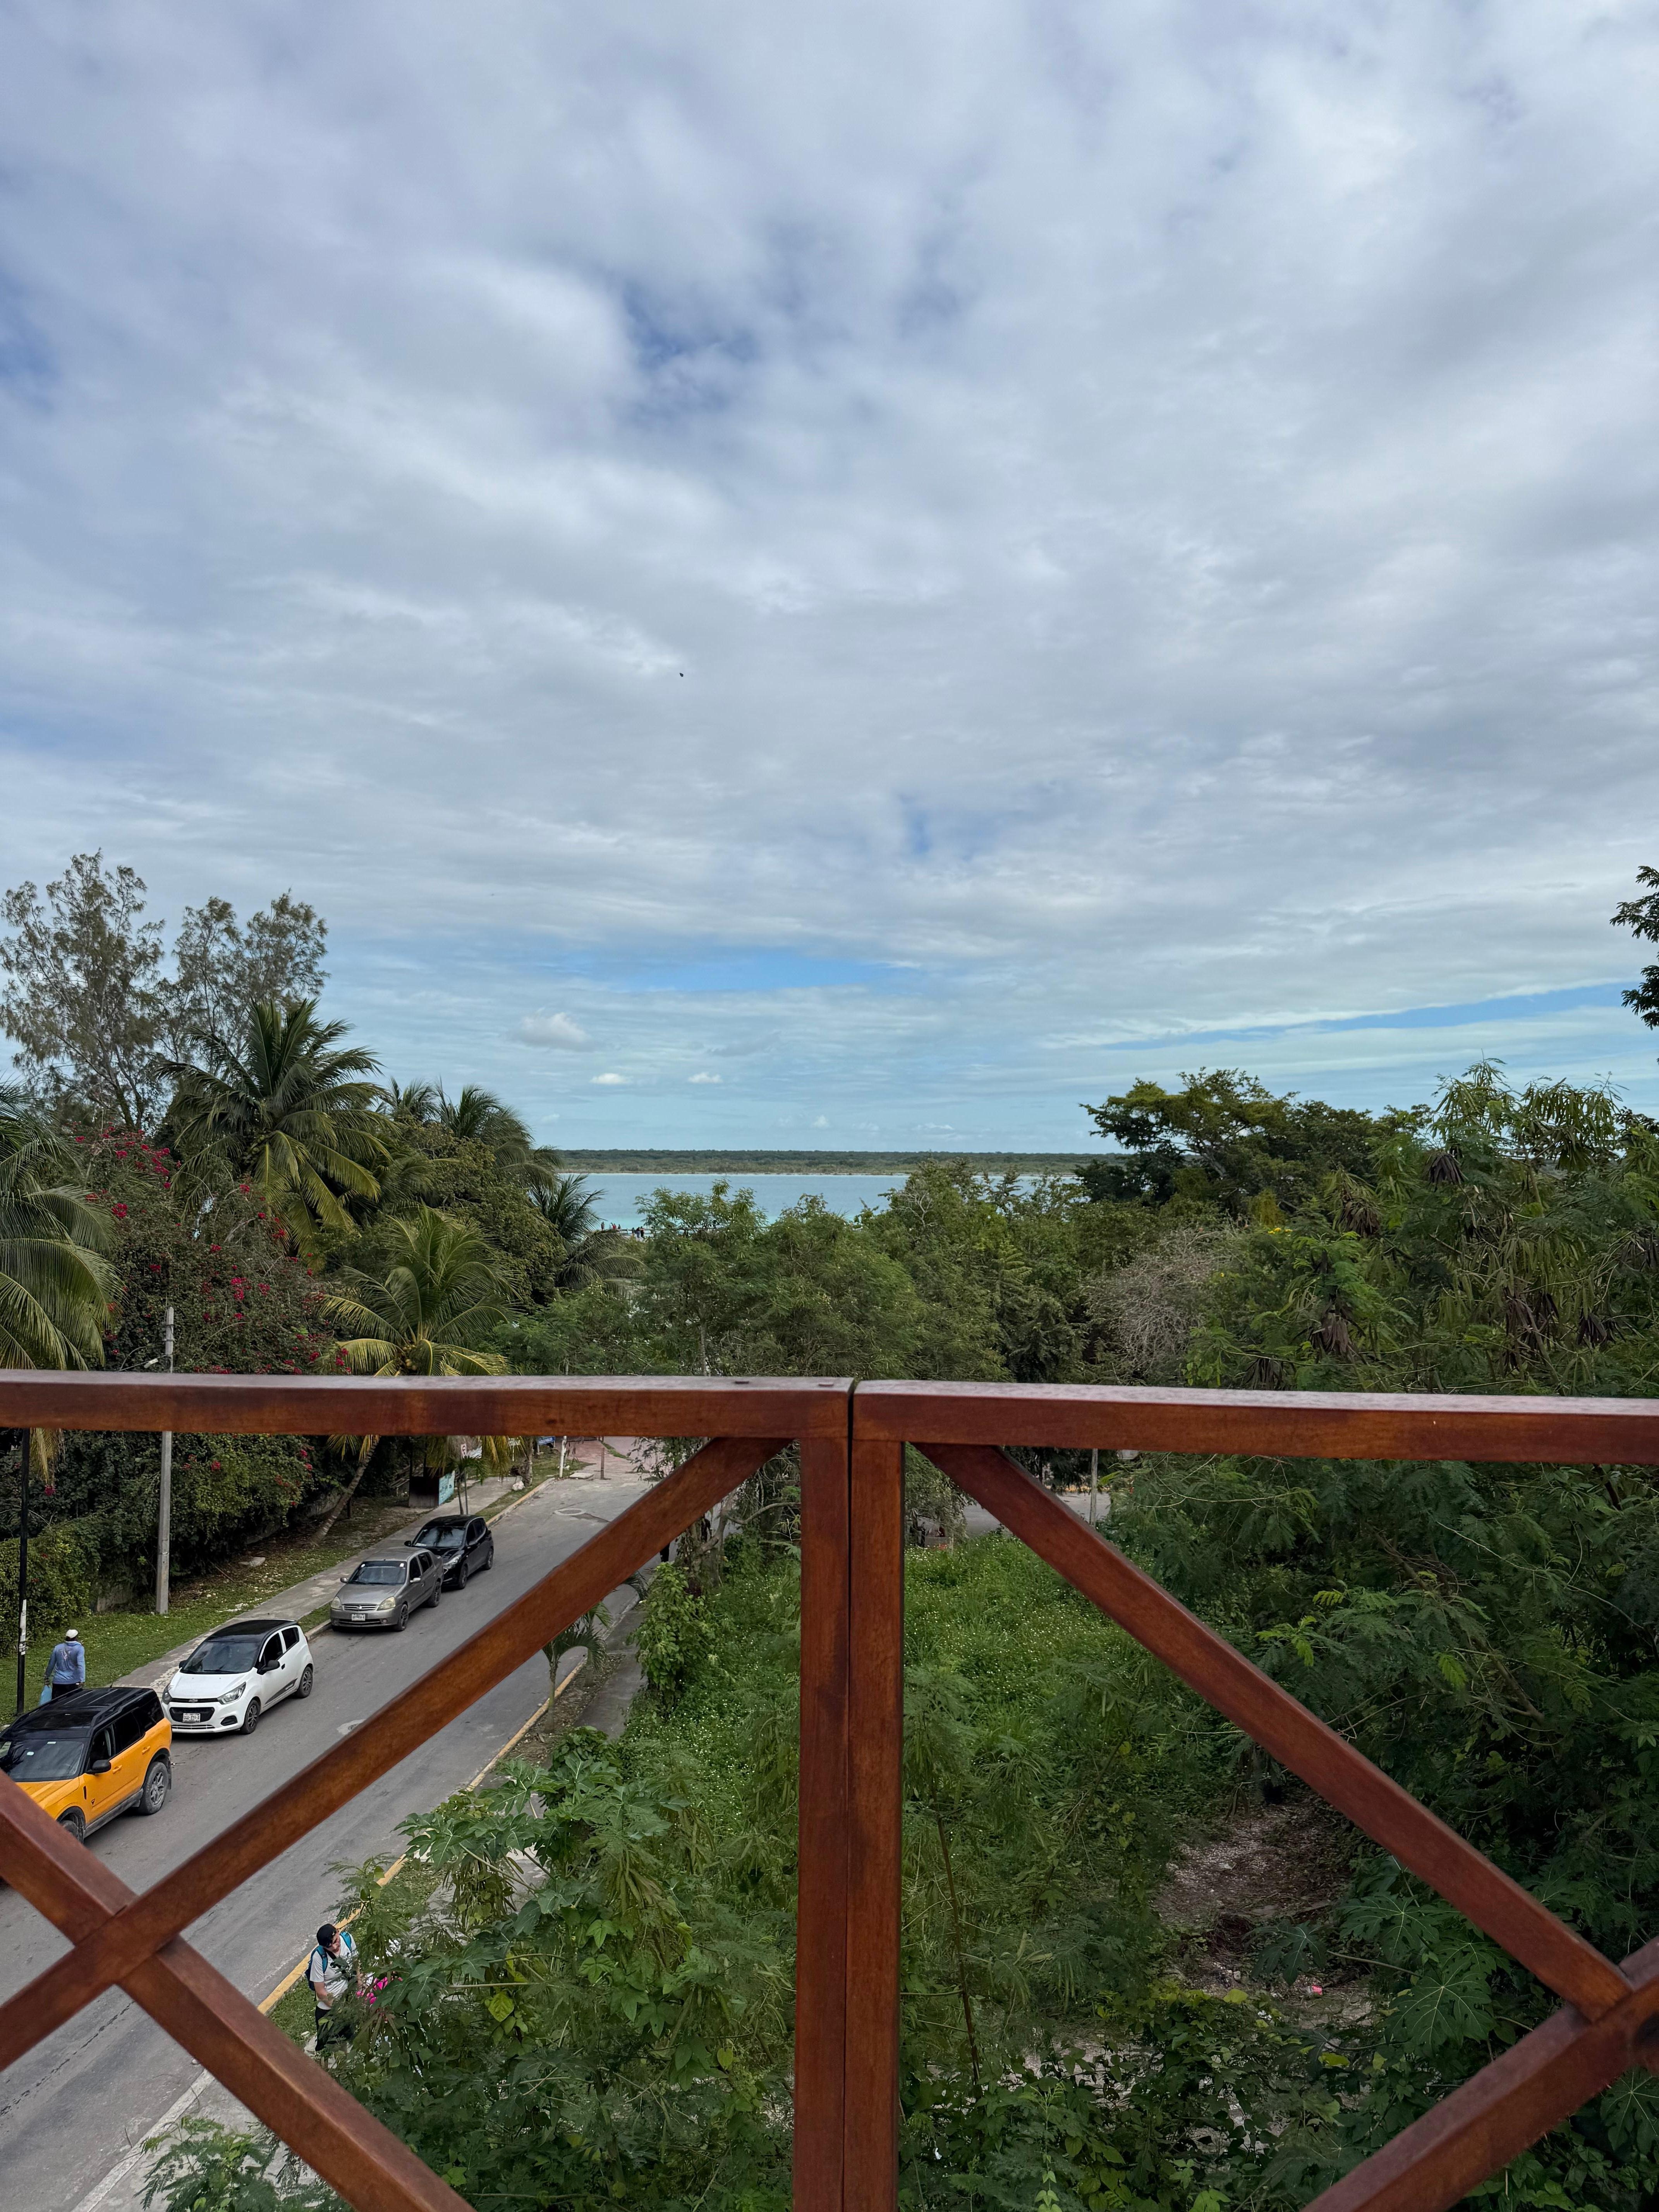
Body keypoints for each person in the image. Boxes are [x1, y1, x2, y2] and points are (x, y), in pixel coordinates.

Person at [307, 1922, 360, 2051]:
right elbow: (321, 1992)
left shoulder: (347, 1939)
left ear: (338, 1932)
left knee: (350, 2042)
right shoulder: (319, 1958)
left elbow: (356, 1962)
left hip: (348, 2002)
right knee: (329, 2048)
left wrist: (360, 1981)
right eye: (330, 1947)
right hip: (329, 2010)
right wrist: (340, 2008)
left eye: (336, 1941)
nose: (335, 1947)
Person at [43, 1629, 85, 1700]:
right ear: (76, 1638)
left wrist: (47, 1676)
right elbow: (81, 1665)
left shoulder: (58, 1648)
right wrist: (82, 1680)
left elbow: (51, 1664)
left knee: (57, 1704)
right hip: (74, 1682)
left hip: (58, 1682)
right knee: (74, 1703)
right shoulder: (79, 1648)